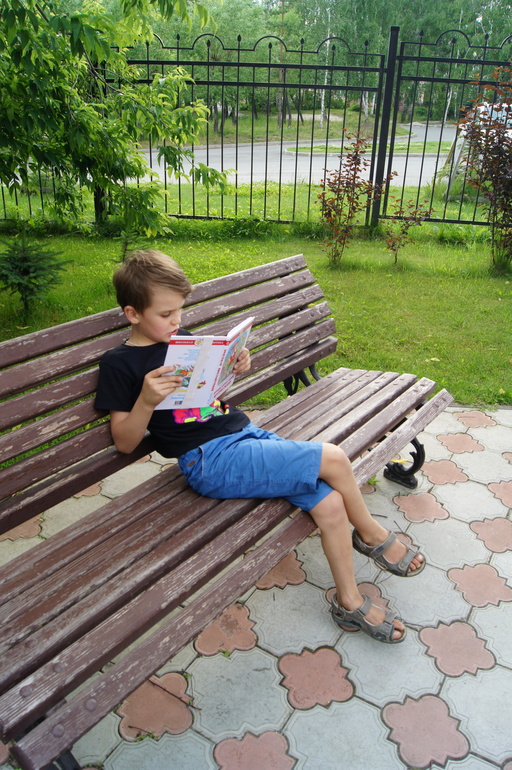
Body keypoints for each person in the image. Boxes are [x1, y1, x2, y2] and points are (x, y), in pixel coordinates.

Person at [95, 249, 426, 644]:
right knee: (334, 458)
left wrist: (233, 365)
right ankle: (372, 536)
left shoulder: (182, 342)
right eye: (166, 314)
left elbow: (206, 396)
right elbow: (124, 442)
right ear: (133, 314)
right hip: (210, 459)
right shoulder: (119, 364)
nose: (177, 321)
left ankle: (349, 602)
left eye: (180, 310)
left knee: (331, 504)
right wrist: (147, 400)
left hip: (244, 436)